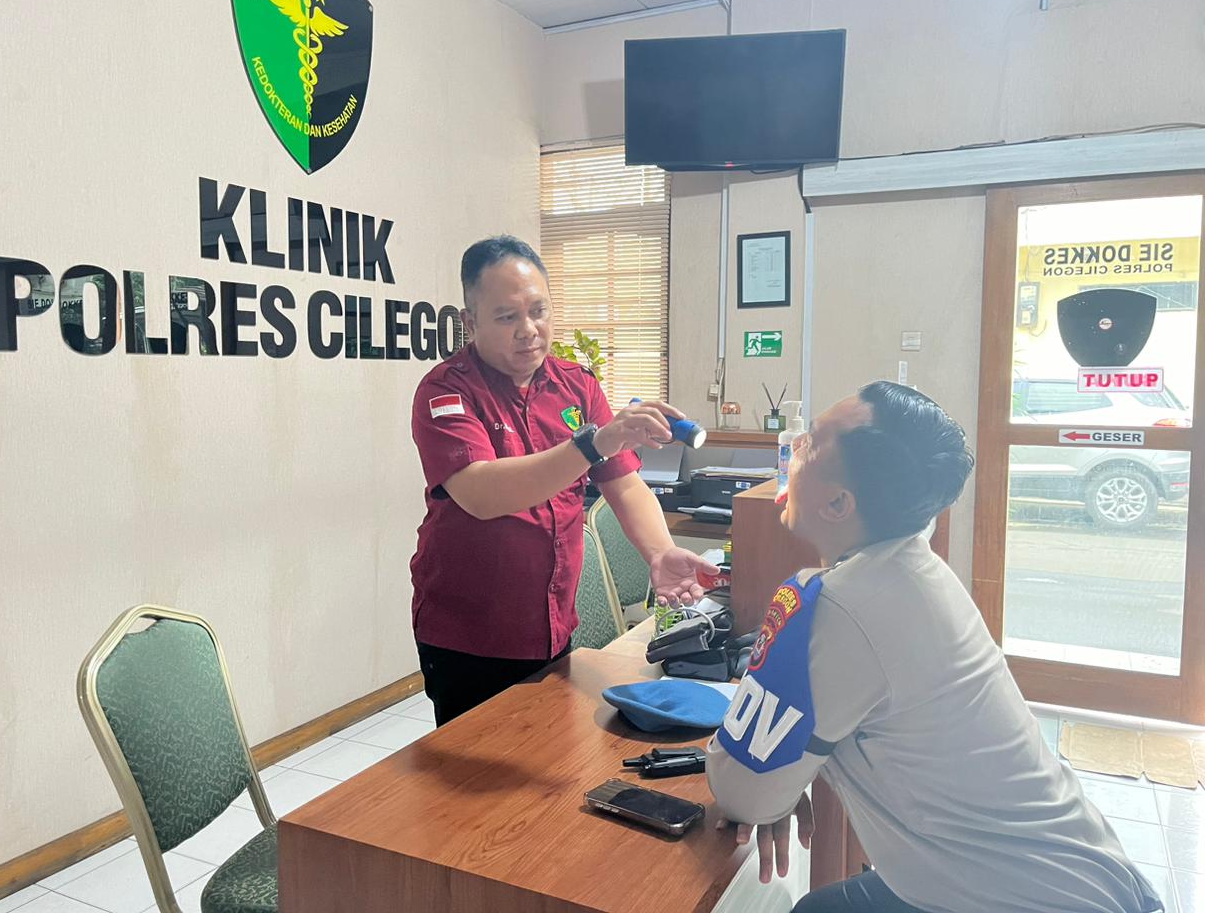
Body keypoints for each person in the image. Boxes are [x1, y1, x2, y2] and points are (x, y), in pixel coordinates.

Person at [707, 381, 1162, 913]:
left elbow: (743, 791)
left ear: (838, 502)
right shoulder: (910, 568)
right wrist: (772, 788)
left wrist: (770, 790)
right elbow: (762, 785)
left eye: (811, 442)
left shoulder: (840, 604)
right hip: (1088, 880)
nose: (795, 446)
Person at [409, 235, 716, 727]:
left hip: (552, 621)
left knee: (550, 750)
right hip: (471, 634)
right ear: (470, 322)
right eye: (506, 317)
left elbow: (624, 483)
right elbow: (481, 493)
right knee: (476, 766)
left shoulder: (576, 384)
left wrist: (660, 553)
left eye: (539, 311)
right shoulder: (446, 391)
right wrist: (592, 444)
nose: (528, 331)